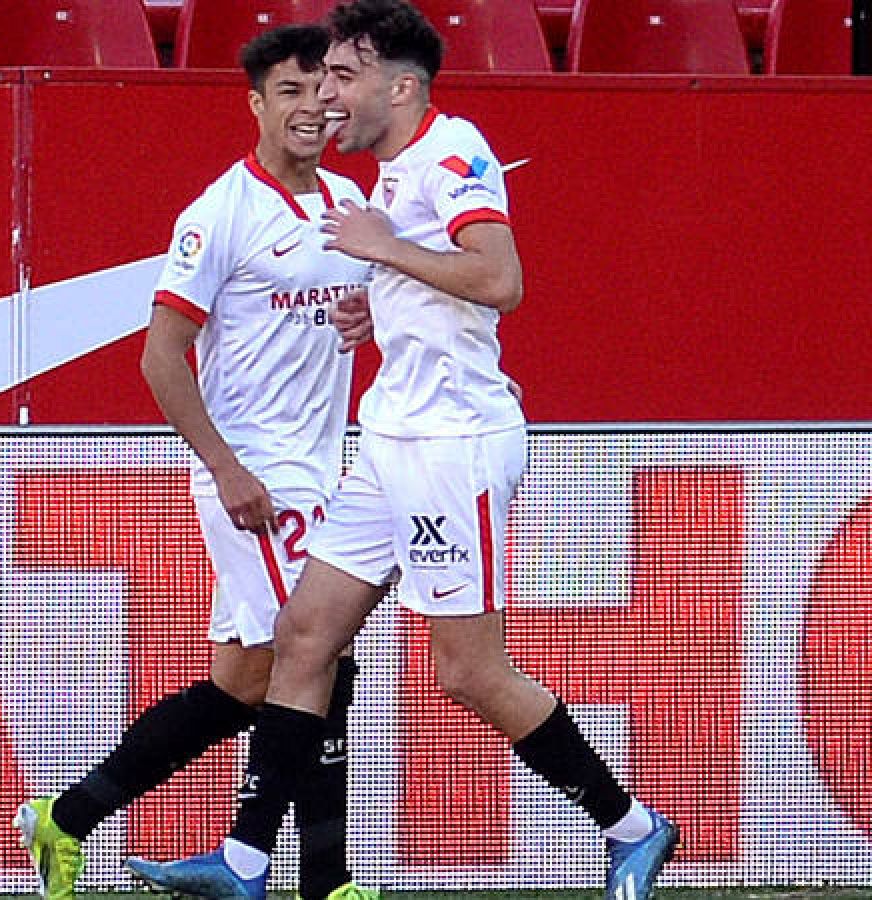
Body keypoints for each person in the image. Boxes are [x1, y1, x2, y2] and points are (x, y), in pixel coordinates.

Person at [125, 2, 679, 900]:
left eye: (344, 77)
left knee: (467, 670)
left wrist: (386, 252)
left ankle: (633, 826)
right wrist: (376, 301)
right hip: (388, 438)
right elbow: (433, 285)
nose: (328, 98)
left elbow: (499, 277)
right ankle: (244, 863)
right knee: (304, 634)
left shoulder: (452, 152)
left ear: (401, 86)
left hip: (449, 446)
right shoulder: (386, 176)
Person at [14, 25, 378, 900]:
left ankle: (66, 817)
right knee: (320, 656)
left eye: (321, 90)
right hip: (257, 478)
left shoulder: (346, 202)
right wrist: (224, 468)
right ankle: (325, 882)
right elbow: (161, 355)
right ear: (255, 104)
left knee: (246, 681)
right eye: (288, 92)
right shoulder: (219, 215)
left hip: (319, 469)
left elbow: (362, 309)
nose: (310, 108)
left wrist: (371, 316)